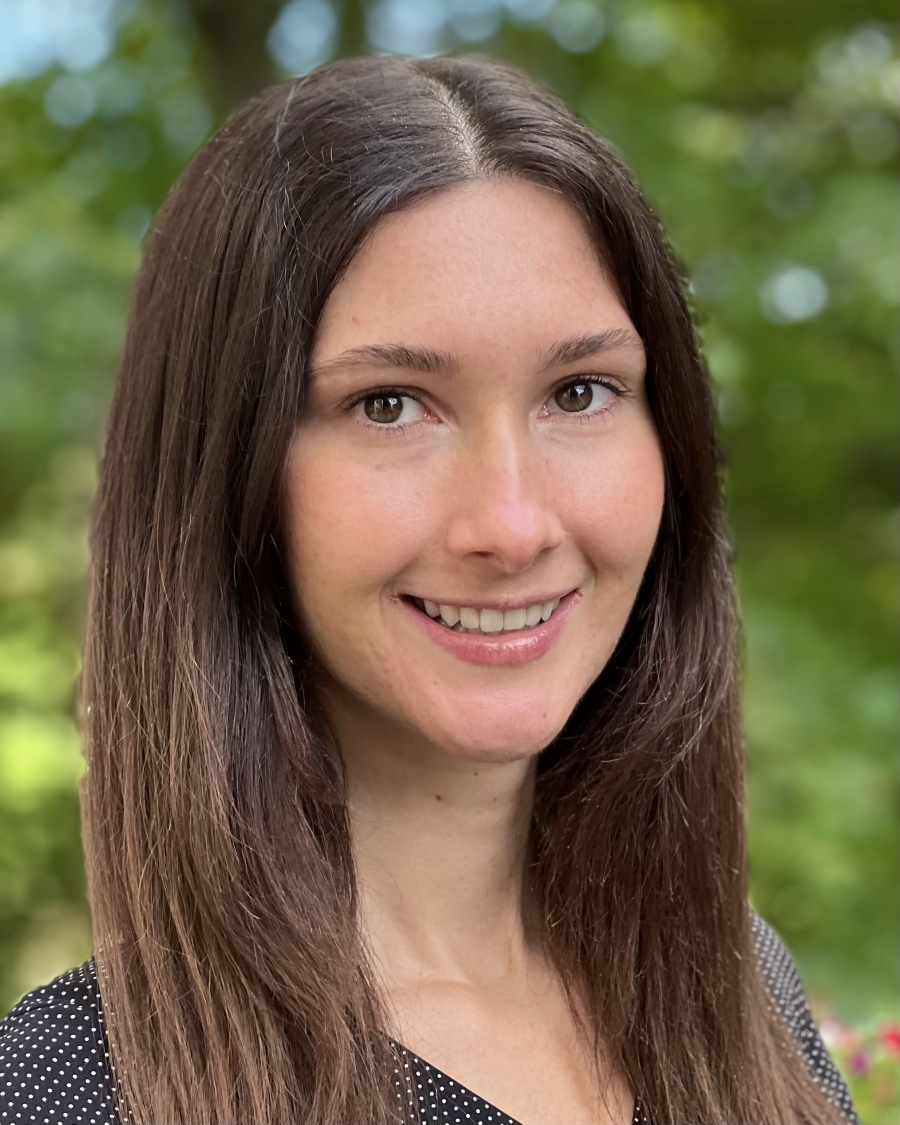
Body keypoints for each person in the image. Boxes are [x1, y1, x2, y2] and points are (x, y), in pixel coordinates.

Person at [0, 54, 858, 1125]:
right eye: (390, 405)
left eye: (580, 392)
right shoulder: (66, 1091)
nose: (511, 523)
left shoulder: (740, 992)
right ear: (228, 475)